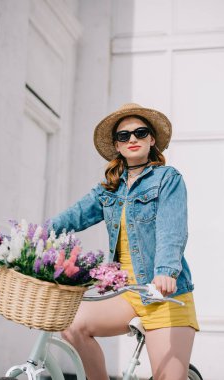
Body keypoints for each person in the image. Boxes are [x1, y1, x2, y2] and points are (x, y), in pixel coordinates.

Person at [50, 103, 199, 380]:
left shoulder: (167, 178)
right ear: (117, 145)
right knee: (71, 325)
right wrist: (31, 238)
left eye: (140, 133)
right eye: (124, 136)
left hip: (165, 294)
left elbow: (172, 228)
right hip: (126, 293)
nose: (132, 139)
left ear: (151, 140)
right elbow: (73, 216)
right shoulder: (110, 188)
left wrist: (166, 271)